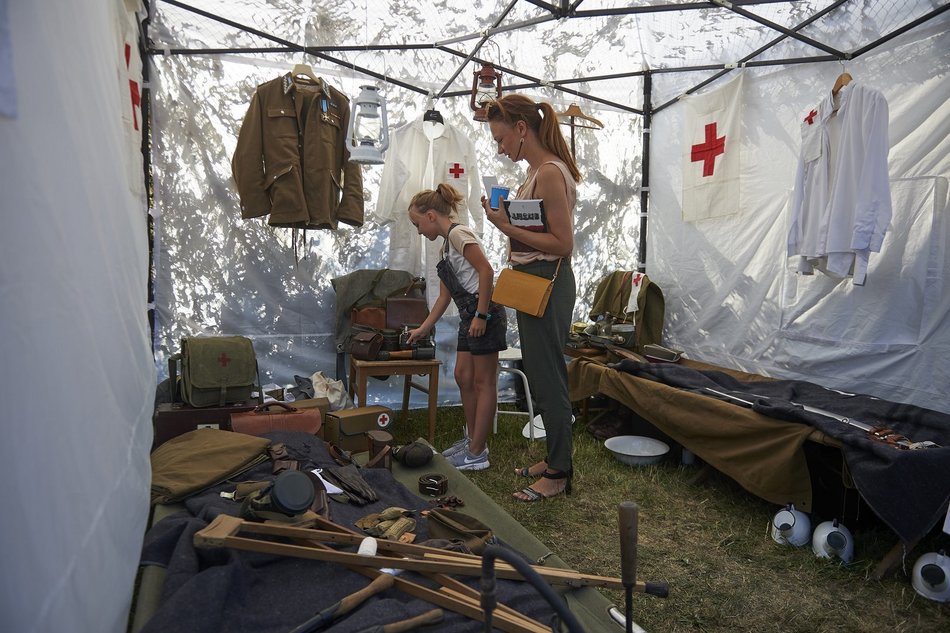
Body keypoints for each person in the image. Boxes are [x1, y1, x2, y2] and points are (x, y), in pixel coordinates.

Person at [482, 94, 581, 502]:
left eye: (502, 138)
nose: (500, 147)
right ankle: (554, 455)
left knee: (548, 375)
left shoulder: (550, 173)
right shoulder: (535, 173)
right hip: (533, 279)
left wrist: (505, 225)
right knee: (539, 373)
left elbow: (562, 244)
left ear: (522, 129)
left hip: (547, 280)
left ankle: (559, 472)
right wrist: (507, 219)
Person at [406, 183, 508, 471]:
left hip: (483, 313)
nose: (418, 231)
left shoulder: (458, 234)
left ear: (430, 216)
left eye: (417, 224)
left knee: (483, 382)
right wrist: (423, 328)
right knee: (464, 376)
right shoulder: (446, 246)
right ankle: (472, 438)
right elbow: (444, 296)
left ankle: (477, 453)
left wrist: (481, 315)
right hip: (469, 315)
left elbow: (487, 271)